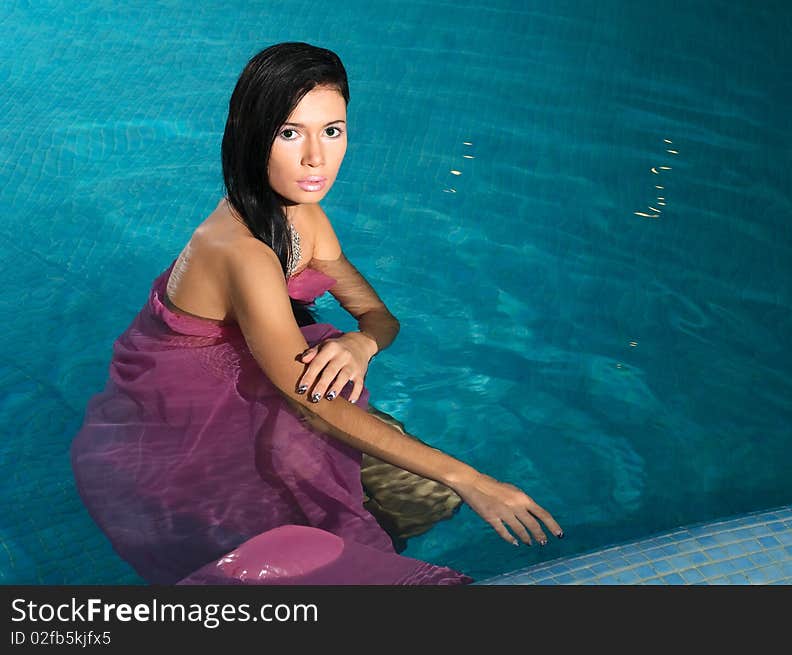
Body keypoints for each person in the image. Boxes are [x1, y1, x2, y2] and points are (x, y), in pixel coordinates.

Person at [70, 42, 562, 586]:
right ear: (251, 136)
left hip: (279, 370)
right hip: (196, 405)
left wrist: (359, 344)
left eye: (332, 130)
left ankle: (360, 535)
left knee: (428, 502)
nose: (315, 158)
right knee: (406, 503)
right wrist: (471, 477)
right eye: (289, 133)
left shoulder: (305, 216)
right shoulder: (238, 250)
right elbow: (310, 398)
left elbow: (379, 316)